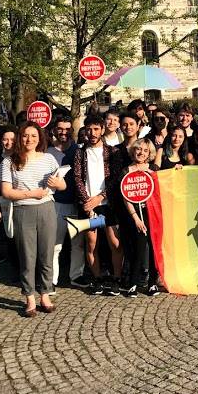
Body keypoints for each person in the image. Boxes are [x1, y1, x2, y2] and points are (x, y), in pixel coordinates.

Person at [0, 122, 66, 317]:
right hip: (23, 211)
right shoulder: (9, 161)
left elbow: (61, 186)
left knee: (46, 254)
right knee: (27, 257)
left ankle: (44, 294)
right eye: (26, 135)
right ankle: (29, 297)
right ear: (20, 138)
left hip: (46, 209)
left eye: (34, 136)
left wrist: (58, 183)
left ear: (40, 138)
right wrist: (31, 194)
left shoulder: (49, 158)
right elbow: (6, 191)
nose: (29, 139)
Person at [72, 115, 123, 294]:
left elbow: (116, 178)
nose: (92, 133)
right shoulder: (80, 152)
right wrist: (88, 201)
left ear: (102, 130)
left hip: (108, 204)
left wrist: (100, 197)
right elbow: (77, 177)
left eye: (96, 129)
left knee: (114, 242)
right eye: (89, 129)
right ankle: (98, 278)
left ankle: (116, 278)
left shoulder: (113, 152)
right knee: (91, 242)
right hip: (88, 205)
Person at [109, 138, 160, 297]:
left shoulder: (153, 169)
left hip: (152, 214)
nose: (141, 153)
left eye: (145, 151)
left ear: (149, 153)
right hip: (134, 215)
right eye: (138, 149)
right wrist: (136, 218)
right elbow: (126, 197)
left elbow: (163, 185)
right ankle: (133, 284)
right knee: (137, 248)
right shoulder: (126, 171)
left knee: (153, 249)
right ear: (133, 151)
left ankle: (152, 283)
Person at [48, 116, 79, 288]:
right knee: (54, 245)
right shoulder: (47, 153)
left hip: (76, 204)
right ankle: (51, 280)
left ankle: (76, 276)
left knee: (78, 244)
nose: (64, 132)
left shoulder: (79, 150)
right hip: (55, 204)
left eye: (67, 129)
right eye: (60, 128)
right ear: (54, 130)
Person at [0, 125, 19, 281]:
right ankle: (16, 270)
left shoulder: (22, 157)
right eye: (5, 139)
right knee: (11, 237)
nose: (9, 142)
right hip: (5, 203)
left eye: (12, 139)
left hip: (23, 202)